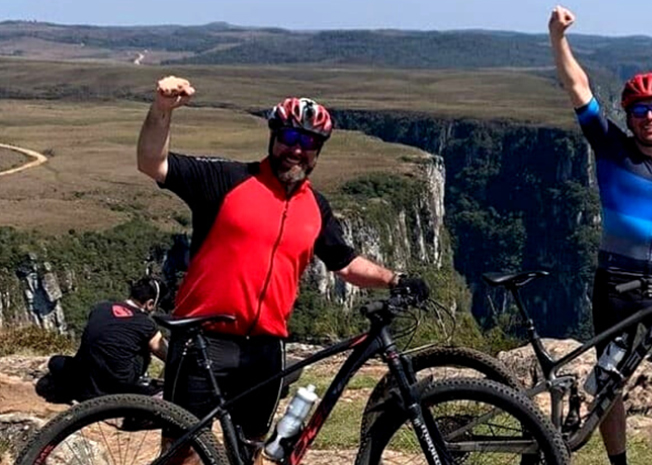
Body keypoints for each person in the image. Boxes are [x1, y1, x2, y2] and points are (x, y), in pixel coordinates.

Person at [136, 76, 429, 462]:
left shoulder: (316, 207)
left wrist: (394, 279)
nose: (296, 149)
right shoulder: (226, 180)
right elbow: (152, 163)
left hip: (266, 349)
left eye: (308, 142)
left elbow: (344, 262)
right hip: (204, 340)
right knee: (184, 457)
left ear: (318, 150)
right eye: (289, 137)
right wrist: (161, 108)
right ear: (273, 137)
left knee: (253, 452)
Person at [549, 5, 652, 465]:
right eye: (641, 109)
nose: (650, 116)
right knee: (610, 385)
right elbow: (578, 88)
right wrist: (557, 38)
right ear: (629, 115)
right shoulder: (611, 149)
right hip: (617, 291)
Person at [39, 277, 169, 403]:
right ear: (150, 303)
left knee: (56, 362)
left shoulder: (100, 308)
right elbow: (167, 356)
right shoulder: (146, 324)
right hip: (116, 389)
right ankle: (138, 383)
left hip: (84, 384)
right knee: (144, 347)